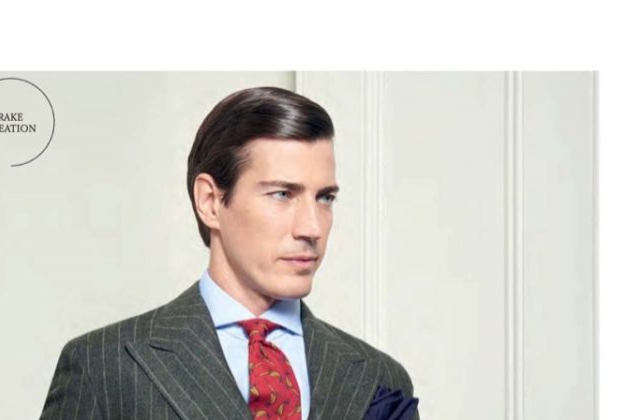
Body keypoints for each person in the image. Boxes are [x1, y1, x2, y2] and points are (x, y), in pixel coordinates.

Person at [40, 86, 419, 419]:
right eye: (282, 194)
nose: (312, 228)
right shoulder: (103, 366)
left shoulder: (380, 378)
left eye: (325, 198)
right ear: (210, 201)